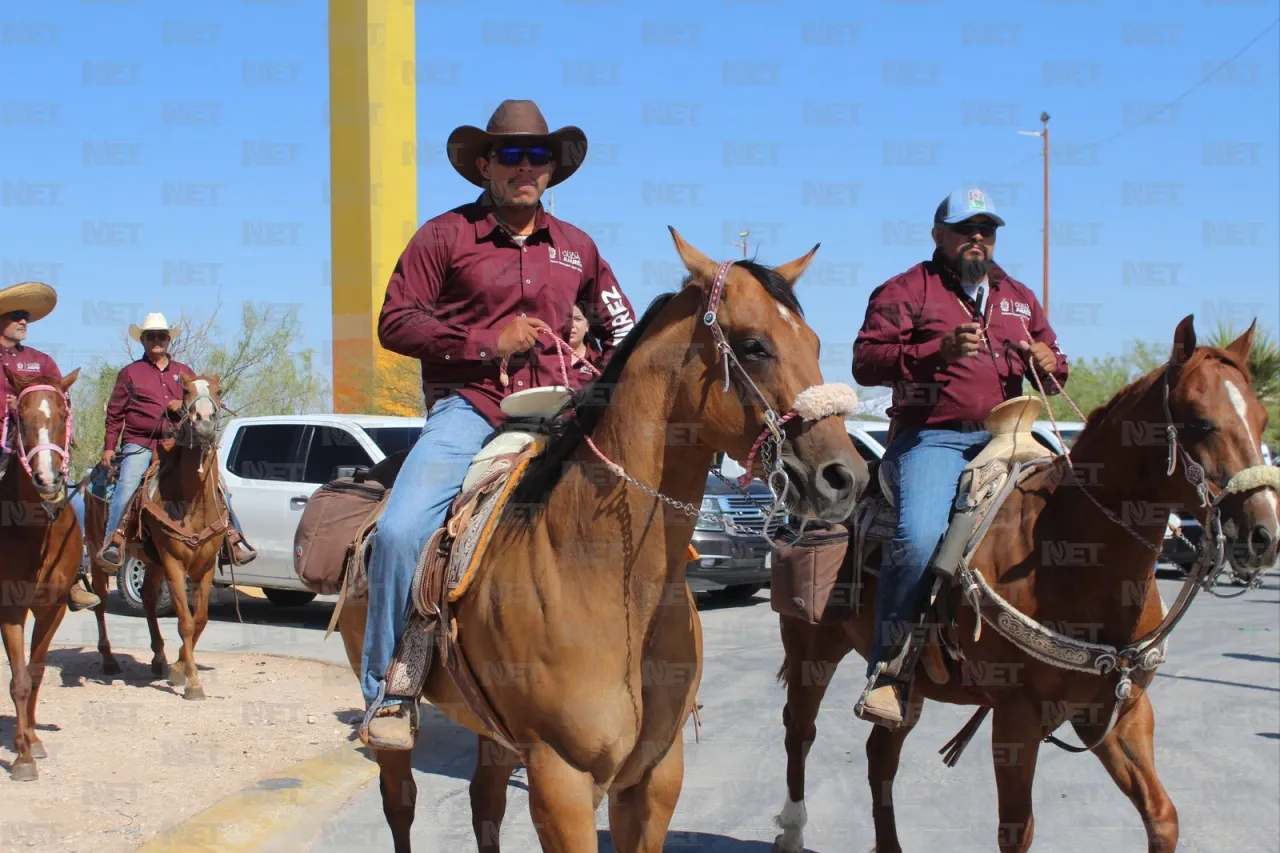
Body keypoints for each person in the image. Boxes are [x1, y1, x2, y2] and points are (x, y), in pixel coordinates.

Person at [361, 99, 637, 750]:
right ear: (484, 164)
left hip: (563, 409)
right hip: (473, 407)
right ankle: (389, 689)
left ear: (552, 167)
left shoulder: (578, 249)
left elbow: (620, 328)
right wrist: (487, 340)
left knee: (640, 514)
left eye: (536, 155)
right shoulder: (443, 237)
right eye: (509, 154)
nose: (524, 167)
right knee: (402, 531)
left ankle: (635, 674)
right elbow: (395, 322)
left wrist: (594, 357)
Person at [851, 186, 1069, 728]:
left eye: (987, 229)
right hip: (933, 437)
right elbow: (865, 362)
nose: (978, 238)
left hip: (1013, 433)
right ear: (938, 236)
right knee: (921, 537)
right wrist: (934, 352)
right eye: (966, 228)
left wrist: (1050, 360)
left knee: (1073, 510)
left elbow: (1055, 364)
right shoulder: (907, 289)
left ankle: (1065, 651)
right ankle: (891, 670)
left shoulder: (1018, 295)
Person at [96, 312, 256, 568]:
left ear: (169, 340)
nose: (157, 340)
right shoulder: (130, 373)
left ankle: (232, 540)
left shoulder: (184, 372)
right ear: (143, 341)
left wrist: (182, 405)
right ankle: (113, 543)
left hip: (180, 442)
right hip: (141, 443)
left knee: (217, 484)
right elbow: (115, 414)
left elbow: (199, 403)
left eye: (162, 336)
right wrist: (108, 448)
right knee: (127, 485)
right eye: (151, 336)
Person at [0, 281, 102, 610]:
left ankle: (75, 578)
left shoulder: (40, 361)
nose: (24, 321)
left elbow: (60, 402)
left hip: (33, 447)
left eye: (26, 316)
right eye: (17, 315)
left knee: (77, 506)